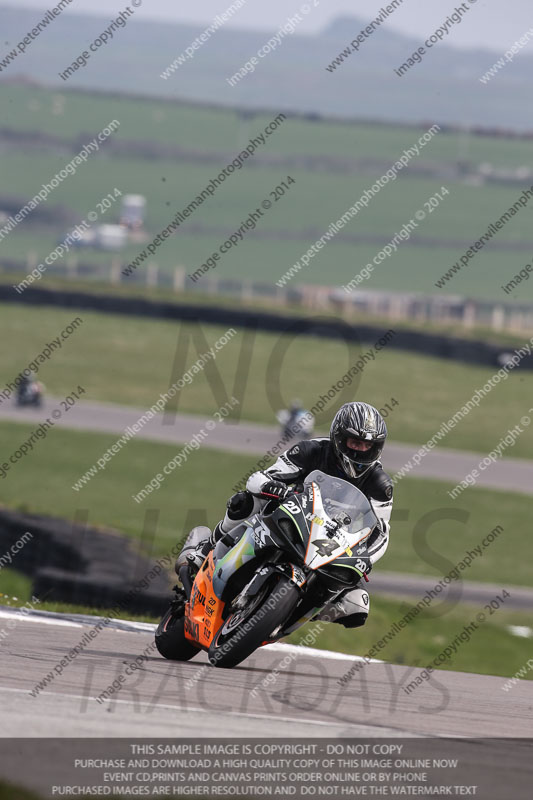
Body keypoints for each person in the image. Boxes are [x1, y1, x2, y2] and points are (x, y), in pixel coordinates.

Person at [181, 401, 393, 629]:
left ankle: (296, 612)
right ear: (340, 438)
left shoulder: (380, 484)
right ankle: (208, 547)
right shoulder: (310, 450)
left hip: (333, 543)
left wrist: (366, 558)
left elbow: (381, 533)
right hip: (295, 516)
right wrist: (271, 486)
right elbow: (261, 477)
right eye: (355, 442)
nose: (361, 450)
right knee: (246, 500)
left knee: (358, 606)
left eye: (368, 445)